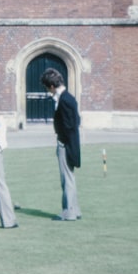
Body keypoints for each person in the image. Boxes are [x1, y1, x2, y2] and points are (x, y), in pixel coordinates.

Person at [41, 68, 81, 221]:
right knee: (69, 177)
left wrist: (64, 143)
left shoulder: (65, 100)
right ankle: (75, 210)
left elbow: (71, 125)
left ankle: (69, 212)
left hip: (67, 144)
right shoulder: (66, 98)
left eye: (47, 87)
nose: (47, 91)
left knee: (66, 178)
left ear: (51, 86)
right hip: (69, 142)